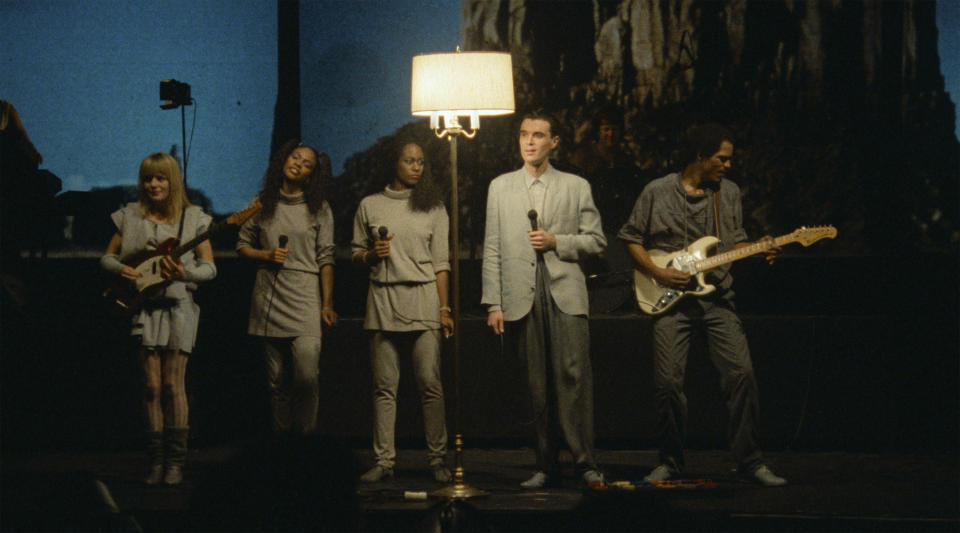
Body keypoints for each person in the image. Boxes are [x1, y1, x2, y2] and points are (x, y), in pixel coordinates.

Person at [617, 123, 787, 487]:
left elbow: (734, 243)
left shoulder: (728, 194)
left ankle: (749, 460)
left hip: (718, 297)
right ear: (700, 157)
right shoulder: (657, 191)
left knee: (742, 375)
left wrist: (761, 248)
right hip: (670, 301)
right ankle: (670, 462)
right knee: (667, 384)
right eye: (721, 159)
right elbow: (631, 238)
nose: (727, 165)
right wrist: (658, 273)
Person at [481, 111, 606, 488]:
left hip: (565, 291)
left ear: (554, 142)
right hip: (520, 293)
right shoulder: (500, 187)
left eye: (538, 135)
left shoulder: (575, 185)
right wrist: (493, 302)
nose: (529, 142)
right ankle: (545, 464)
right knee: (536, 383)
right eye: (524, 135)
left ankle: (584, 463)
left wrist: (558, 242)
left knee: (573, 377)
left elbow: (597, 241)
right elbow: (492, 247)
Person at [100, 152, 216, 485]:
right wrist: (121, 267)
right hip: (144, 310)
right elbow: (106, 258)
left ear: (172, 181)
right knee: (150, 387)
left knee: (172, 385)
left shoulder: (193, 218)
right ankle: (156, 460)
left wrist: (184, 273)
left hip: (178, 309)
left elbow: (210, 268)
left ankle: (176, 462)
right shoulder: (130, 216)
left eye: (160, 178)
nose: (153, 184)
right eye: (148, 178)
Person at [352, 139, 453, 483]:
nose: (416, 167)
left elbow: (442, 264)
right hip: (382, 300)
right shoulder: (370, 205)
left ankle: (438, 459)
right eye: (409, 161)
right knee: (384, 387)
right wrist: (371, 255)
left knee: (429, 382)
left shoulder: (434, 207)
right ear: (394, 163)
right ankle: (384, 461)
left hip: (423, 298)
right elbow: (355, 253)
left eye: (421, 161)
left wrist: (445, 308)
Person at [237, 140, 338, 439]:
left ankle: (305, 443)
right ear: (283, 160)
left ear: (311, 175)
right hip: (269, 294)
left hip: (305, 294)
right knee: (276, 382)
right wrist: (265, 255)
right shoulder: (262, 202)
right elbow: (242, 245)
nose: (298, 164)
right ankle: (283, 446)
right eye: (295, 157)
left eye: (307, 164)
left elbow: (326, 258)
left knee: (307, 377)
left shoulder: (319, 208)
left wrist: (327, 304)